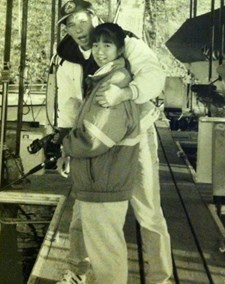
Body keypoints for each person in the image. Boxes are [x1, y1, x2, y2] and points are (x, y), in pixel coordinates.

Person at [55, 0, 173, 284]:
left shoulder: (125, 42)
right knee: (84, 206)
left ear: (93, 17)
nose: (77, 28)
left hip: (133, 137)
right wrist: (65, 147)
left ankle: (160, 277)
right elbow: (68, 103)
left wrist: (126, 93)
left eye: (82, 20)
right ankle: (78, 270)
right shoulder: (67, 57)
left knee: (147, 207)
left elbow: (156, 76)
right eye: (70, 24)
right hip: (92, 139)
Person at [61, 22, 141, 284]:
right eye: (96, 44)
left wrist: (66, 145)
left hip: (104, 182)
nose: (99, 50)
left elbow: (94, 140)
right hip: (97, 182)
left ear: (120, 49)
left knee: (107, 258)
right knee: (95, 249)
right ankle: (78, 275)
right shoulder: (105, 78)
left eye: (107, 45)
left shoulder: (114, 84)